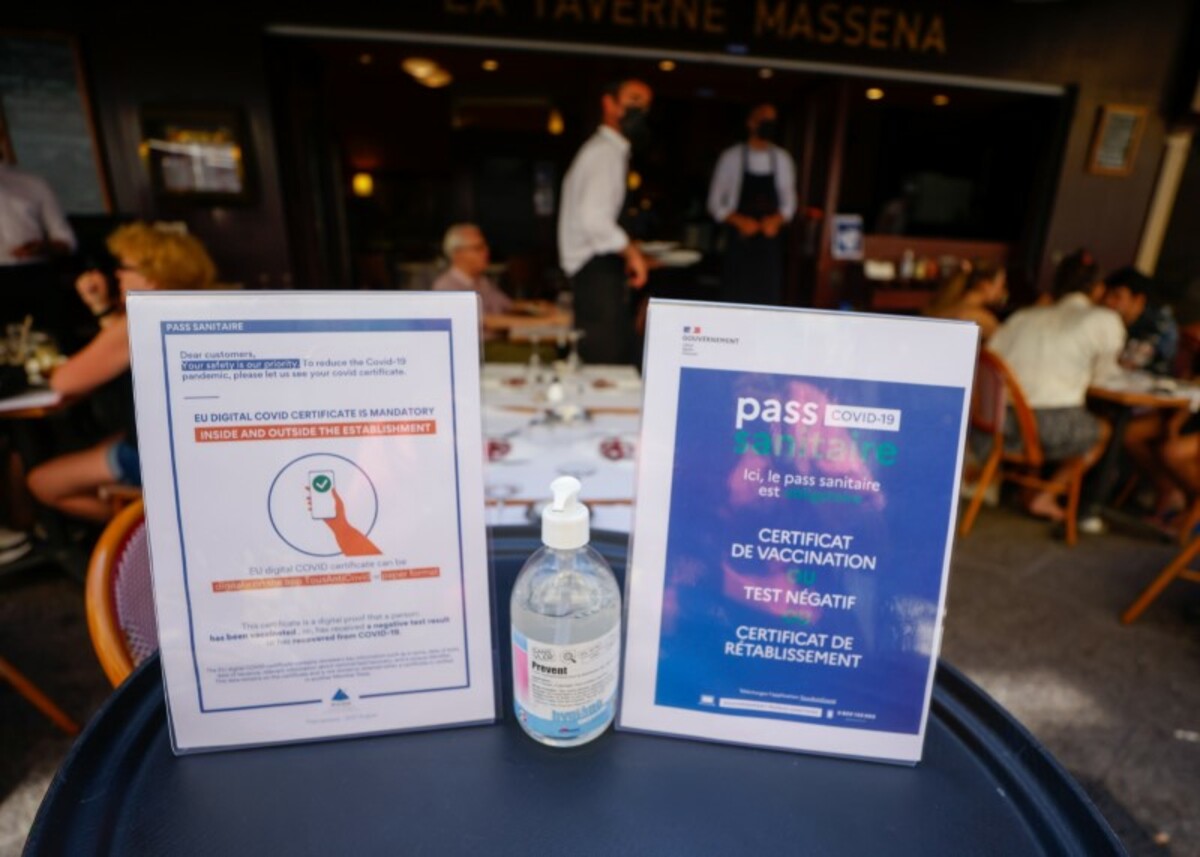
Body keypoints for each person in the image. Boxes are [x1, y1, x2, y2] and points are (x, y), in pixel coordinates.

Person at [26, 222, 215, 522]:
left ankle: (144, 530)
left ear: (152, 276)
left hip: (157, 456)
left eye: (124, 267)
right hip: (195, 449)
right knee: (105, 445)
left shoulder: (139, 322)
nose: (116, 274)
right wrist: (102, 308)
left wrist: (103, 310)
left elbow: (64, 382)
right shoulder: (197, 309)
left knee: (41, 482)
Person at [986, 249, 1125, 526]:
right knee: (1103, 430)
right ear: (1098, 289)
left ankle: (1029, 490)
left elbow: (991, 358)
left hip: (995, 422)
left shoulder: (1023, 317)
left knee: (1044, 410)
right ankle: (1048, 496)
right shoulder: (1103, 320)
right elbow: (1105, 377)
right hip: (1045, 427)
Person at [558, 77, 652, 364]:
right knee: (605, 368)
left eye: (645, 105)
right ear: (609, 104)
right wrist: (632, 253)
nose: (640, 109)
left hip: (599, 272)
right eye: (633, 99)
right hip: (594, 274)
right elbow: (594, 219)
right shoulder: (604, 152)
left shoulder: (612, 150)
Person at [706, 104, 797, 306]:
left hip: (769, 245)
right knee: (734, 298)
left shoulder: (782, 159)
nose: (768, 124)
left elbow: (789, 204)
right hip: (738, 242)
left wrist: (776, 220)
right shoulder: (731, 157)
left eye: (772, 120)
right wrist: (739, 221)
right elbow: (714, 203)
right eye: (763, 118)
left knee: (767, 300)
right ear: (751, 122)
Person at [0, 154, 77, 329]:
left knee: (50, 338)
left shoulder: (33, 184)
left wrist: (41, 248)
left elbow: (66, 240)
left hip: (35, 276)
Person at [431, 223, 513, 339]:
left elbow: (507, 305)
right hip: (479, 347)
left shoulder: (481, 280)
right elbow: (486, 321)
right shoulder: (446, 287)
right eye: (478, 248)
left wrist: (535, 307)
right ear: (458, 254)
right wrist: (538, 322)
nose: (486, 252)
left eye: (485, 246)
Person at [1100, 266, 1178, 376]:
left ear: (1138, 300)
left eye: (1117, 296)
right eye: (1106, 295)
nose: (1108, 301)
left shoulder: (1157, 325)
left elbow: (1129, 365)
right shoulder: (1108, 321)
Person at [923, 260, 1008, 341]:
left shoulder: (943, 306)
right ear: (984, 285)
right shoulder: (983, 319)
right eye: (1002, 285)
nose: (1003, 292)